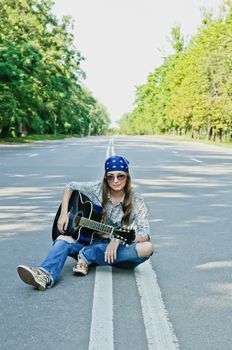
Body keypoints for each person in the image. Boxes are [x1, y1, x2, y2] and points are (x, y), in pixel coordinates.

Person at [17, 155, 154, 290]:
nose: (115, 180)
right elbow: (70, 186)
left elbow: (145, 235)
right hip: (90, 241)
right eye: (110, 176)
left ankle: (88, 255)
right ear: (105, 178)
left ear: (127, 177)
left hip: (118, 253)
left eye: (120, 176)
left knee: (147, 248)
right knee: (62, 239)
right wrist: (64, 214)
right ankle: (44, 274)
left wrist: (117, 238)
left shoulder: (137, 201)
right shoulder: (97, 189)